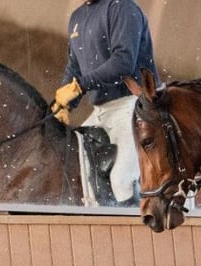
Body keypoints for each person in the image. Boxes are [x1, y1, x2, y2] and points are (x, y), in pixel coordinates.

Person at [52, 0, 160, 206]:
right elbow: (74, 67)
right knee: (75, 167)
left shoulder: (123, 8)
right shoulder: (77, 17)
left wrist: (80, 86)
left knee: (122, 180)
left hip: (134, 105)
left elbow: (123, 63)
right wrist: (63, 103)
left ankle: (139, 233)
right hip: (101, 111)